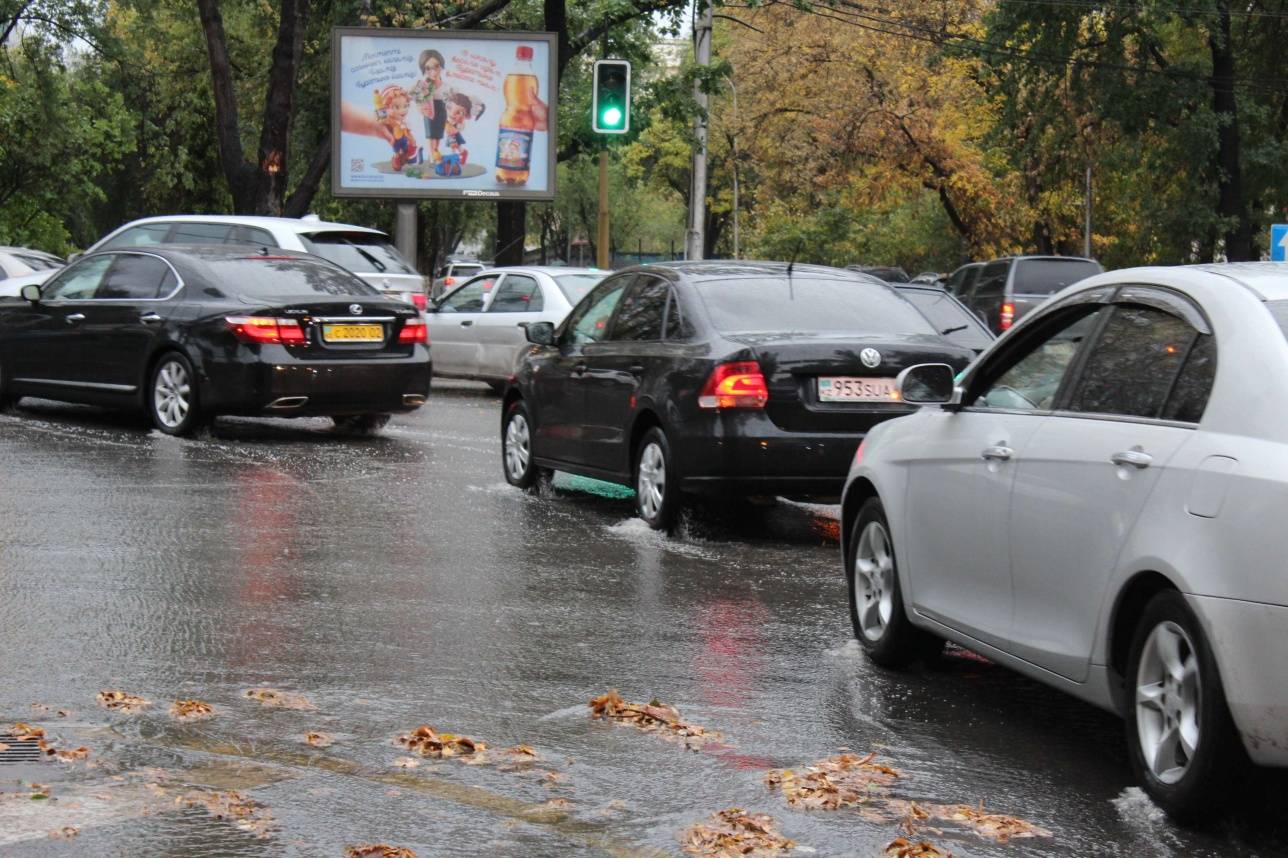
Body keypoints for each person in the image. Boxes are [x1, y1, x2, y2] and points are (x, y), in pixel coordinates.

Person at [410, 50, 447, 164]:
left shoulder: (445, 85)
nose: (433, 71)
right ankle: (432, 156)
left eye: (436, 66)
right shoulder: (423, 83)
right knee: (430, 134)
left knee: (438, 134)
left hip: (441, 109)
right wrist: (419, 106)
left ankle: (436, 153)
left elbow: (450, 97)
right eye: (428, 68)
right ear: (424, 69)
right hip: (429, 109)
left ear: (441, 66)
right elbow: (413, 94)